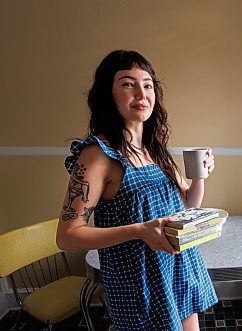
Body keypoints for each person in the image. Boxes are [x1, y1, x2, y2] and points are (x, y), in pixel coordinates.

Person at [56, 50, 218, 331]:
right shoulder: (98, 155)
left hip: (178, 267)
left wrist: (200, 175)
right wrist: (139, 230)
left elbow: (188, 204)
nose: (141, 94)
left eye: (148, 85)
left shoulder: (155, 150)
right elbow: (67, 236)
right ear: (108, 93)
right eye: (128, 84)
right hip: (139, 281)